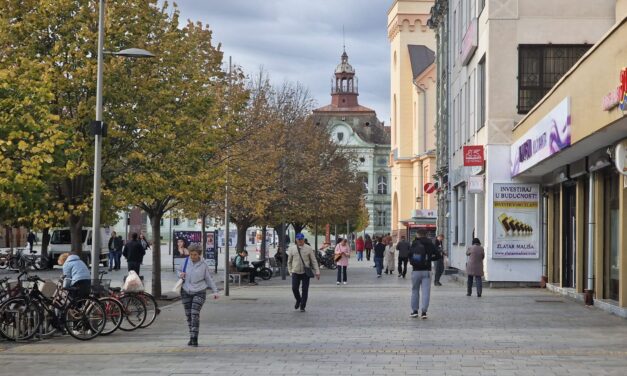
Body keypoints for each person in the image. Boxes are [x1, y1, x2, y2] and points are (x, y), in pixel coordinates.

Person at [178, 244, 219, 347]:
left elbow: (208, 278)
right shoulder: (185, 262)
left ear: (199, 254)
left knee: (194, 314)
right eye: (191, 254)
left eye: (195, 255)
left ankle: (195, 338)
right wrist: (180, 274)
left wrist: (215, 291)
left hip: (200, 291)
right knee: (188, 315)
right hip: (185, 291)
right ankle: (191, 336)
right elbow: (178, 271)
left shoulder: (203, 264)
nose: (193, 257)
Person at [287, 233, 320, 312]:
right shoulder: (292, 249)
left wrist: (317, 271)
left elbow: (313, 261)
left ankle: (302, 305)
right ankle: (298, 300)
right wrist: (290, 271)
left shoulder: (308, 248)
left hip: (305, 272)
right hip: (295, 271)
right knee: (294, 288)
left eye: (301, 239)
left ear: (303, 239)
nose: (300, 241)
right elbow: (289, 261)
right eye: (298, 239)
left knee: (305, 289)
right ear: (296, 240)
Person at [408, 230, 437, 319]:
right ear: (426, 234)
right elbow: (438, 255)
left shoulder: (414, 243)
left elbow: (409, 255)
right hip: (426, 271)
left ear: (417, 234)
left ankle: (415, 311)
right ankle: (424, 312)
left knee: (415, 291)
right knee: (426, 292)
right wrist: (429, 259)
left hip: (416, 270)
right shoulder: (430, 243)